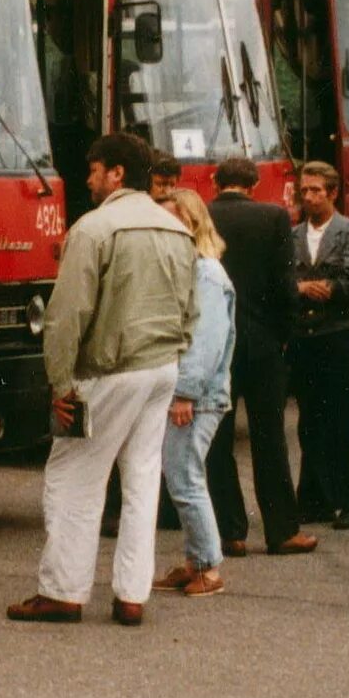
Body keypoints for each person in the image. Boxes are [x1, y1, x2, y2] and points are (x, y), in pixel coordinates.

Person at [9, 132, 196, 626]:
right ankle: (132, 595)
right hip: (162, 367)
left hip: (107, 370)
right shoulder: (176, 228)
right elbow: (191, 308)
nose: (87, 178)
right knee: (141, 480)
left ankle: (63, 591)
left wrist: (59, 381)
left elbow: (66, 314)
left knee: (74, 477)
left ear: (116, 174)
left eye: (93, 170)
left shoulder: (94, 229)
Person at [202, 154, 313, 556]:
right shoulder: (273, 217)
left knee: (218, 438)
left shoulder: (204, 216)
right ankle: (282, 529)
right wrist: (284, 334)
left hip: (217, 343)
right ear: (253, 183)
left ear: (217, 182)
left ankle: (230, 530)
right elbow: (286, 284)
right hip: (263, 341)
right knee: (270, 437)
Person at [153, 188, 235, 599]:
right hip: (194, 393)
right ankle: (195, 561)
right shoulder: (192, 270)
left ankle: (208, 567)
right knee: (182, 474)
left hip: (197, 396)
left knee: (185, 476)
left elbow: (205, 341)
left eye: (173, 221)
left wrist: (185, 392)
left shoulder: (205, 274)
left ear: (192, 222)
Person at [288, 161, 349, 530]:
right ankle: (314, 498)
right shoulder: (292, 235)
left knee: (338, 416)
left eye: (316, 190)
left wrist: (324, 289)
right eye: (304, 191)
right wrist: (303, 289)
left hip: (337, 333)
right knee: (308, 418)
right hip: (304, 336)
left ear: (333, 193)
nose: (309, 197)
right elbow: (285, 277)